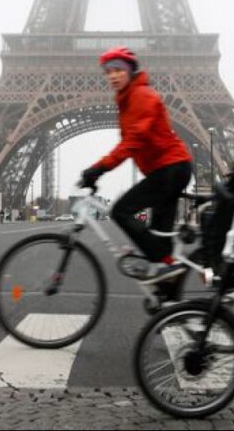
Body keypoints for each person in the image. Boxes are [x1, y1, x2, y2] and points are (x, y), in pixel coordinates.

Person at [80, 47, 194, 287]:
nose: (112, 76)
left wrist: (99, 168)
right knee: (157, 239)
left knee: (121, 210)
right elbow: (132, 142)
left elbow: (133, 141)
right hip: (167, 169)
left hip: (170, 168)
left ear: (130, 71)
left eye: (118, 70)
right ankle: (169, 298)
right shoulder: (128, 99)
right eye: (108, 71)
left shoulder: (142, 95)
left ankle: (167, 263)